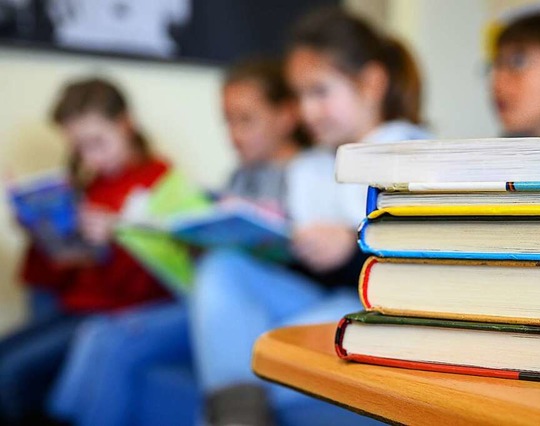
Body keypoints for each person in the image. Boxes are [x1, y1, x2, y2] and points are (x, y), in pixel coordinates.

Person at [191, 7, 432, 426]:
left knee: (253, 357)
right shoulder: (308, 167)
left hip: (381, 308)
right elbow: (308, 269)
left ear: (372, 83)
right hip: (325, 296)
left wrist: (350, 246)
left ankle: (234, 407)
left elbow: (429, 269)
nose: (307, 111)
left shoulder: (410, 153)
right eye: (299, 96)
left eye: (320, 92)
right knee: (223, 267)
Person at [46, 58, 309, 426]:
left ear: (286, 116)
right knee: (99, 333)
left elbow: (307, 253)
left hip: (262, 293)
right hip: (211, 291)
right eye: (228, 122)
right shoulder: (238, 177)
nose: (233, 134)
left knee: (112, 335)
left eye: (245, 120)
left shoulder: (308, 174)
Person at [0, 78, 172, 425]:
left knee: (10, 375)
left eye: (98, 143)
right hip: (75, 307)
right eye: (80, 148)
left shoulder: (160, 183)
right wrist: (40, 231)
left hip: (115, 314)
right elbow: (61, 275)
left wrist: (120, 237)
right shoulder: (89, 184)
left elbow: (158, 284)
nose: (90, 156)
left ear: (126, 123)